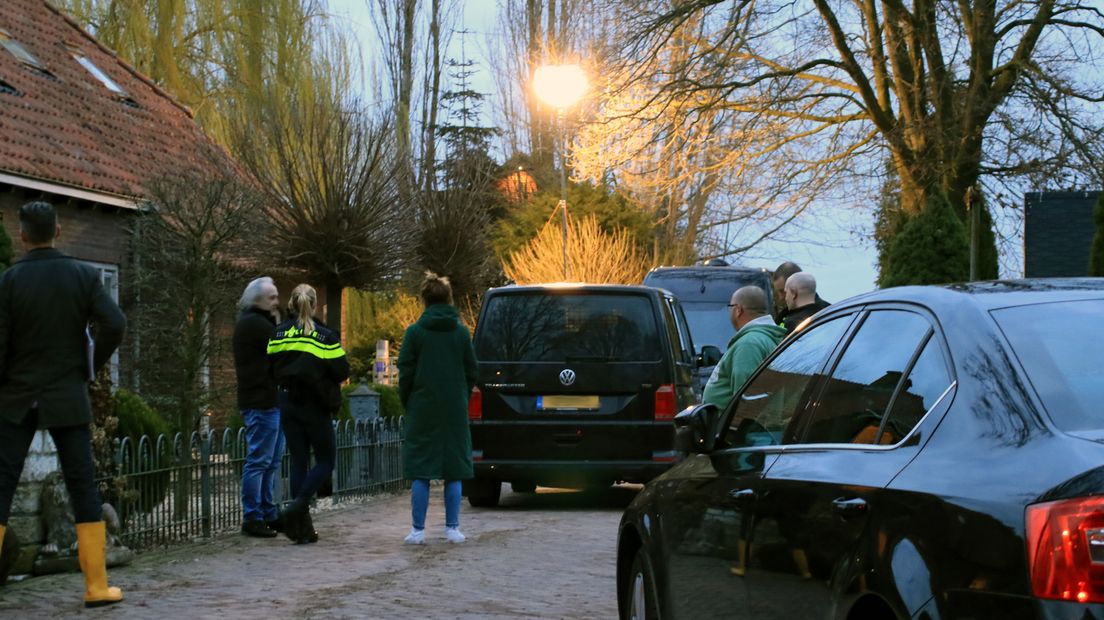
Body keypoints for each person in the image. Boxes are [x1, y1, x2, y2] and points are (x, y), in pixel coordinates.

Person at [0, 202, 127, 607]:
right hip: (68, 393)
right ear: (58, 229)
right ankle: (95, 586)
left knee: (1, 484)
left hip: (17, 395)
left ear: (22, 235)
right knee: (82, 485)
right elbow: (116, 324)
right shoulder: (83, 276)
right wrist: (89, 366)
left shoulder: (9, 281)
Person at [397, 273, 477, 545]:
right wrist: (460, 395)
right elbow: (471, 370)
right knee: (453, 468)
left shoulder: (415, 333)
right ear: (449, 299)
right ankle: (452, 528)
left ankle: (417, 530)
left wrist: (408, 399)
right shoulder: (461, 332)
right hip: (454, 406)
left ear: (424, 299)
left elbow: (405, 371)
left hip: (422, 406)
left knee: (420, 469)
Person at [267, 284, 349, 544]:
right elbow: (342, 371)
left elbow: (270, 366)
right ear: (314, 306)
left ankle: (301, 530)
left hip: (287, 401)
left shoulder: (277, 334)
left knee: (298, 461)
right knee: (326, 460)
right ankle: (297, 506)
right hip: (315, 404)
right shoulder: (324, 337)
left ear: (290, 304)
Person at [234, 276, 285, 538]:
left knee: (270, 461)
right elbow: (282, 352)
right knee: (260, 461)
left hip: (267, 401)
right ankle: (253, 515)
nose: (277, 302)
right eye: (272, 297)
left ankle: (267, 511)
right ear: (258, 300)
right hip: (261, 402)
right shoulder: (256, 325)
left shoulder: (256, 323)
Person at [702, 286, 786, 409]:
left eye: (730, 307)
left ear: (738, 310)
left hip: (739, 427)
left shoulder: (749, 344)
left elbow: (747, 400)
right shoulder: (765, 338)